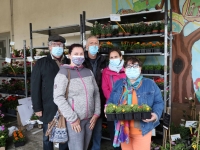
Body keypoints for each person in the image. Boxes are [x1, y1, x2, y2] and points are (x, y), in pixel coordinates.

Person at [106, 57, 164, 150]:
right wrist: (107, 108)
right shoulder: (118, 84)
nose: (132, 69)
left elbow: (159, 102)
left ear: (140, 68)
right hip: (123, 130)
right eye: (129, 66)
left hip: (142, 130)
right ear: (124, 69)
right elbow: (111, 101)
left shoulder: (150, 84)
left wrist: (155, 114)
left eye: (135, 66)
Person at [53, 43, 101, 150]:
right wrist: (72, 118)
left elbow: (96, 93)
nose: (79, 56)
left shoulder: (88, 72)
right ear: (69, 55)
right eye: (76, 54)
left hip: (90, 120)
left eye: (81, 54)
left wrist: (96, 113)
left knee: (85, 147)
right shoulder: (63, 73)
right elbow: (58, 97)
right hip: (75, 121)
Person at [31, 35, 70, 150]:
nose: (57, 47)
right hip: (48, 106)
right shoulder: (41, 63)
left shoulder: (68, 61)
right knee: (47, 136)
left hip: (66, 106)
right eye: (54, 44)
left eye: (60, 45)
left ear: (63, 47)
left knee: (65, 135)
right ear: (49, 47)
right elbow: (35, 86)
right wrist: (37, 108)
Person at [83, 36, 107, 150]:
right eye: (91, 43)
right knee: (84, 128)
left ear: (99, 46)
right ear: (86, 46)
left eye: (96, 43)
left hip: (100, 99)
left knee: (97, 128)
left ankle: (96, 148)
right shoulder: (81, 59)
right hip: (84, 100)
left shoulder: (104, 60)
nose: (94, 45)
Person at [102, 49, 126, 150]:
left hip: (126, 106)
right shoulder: (106, 72)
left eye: (116, 57)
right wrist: (115, 100)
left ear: (121, 57)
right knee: (114, 133)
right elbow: (105, 88)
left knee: (125, 132)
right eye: (111, 58)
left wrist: (124, 102)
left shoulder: (127, 71)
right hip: (112, 106)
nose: (113, 59)